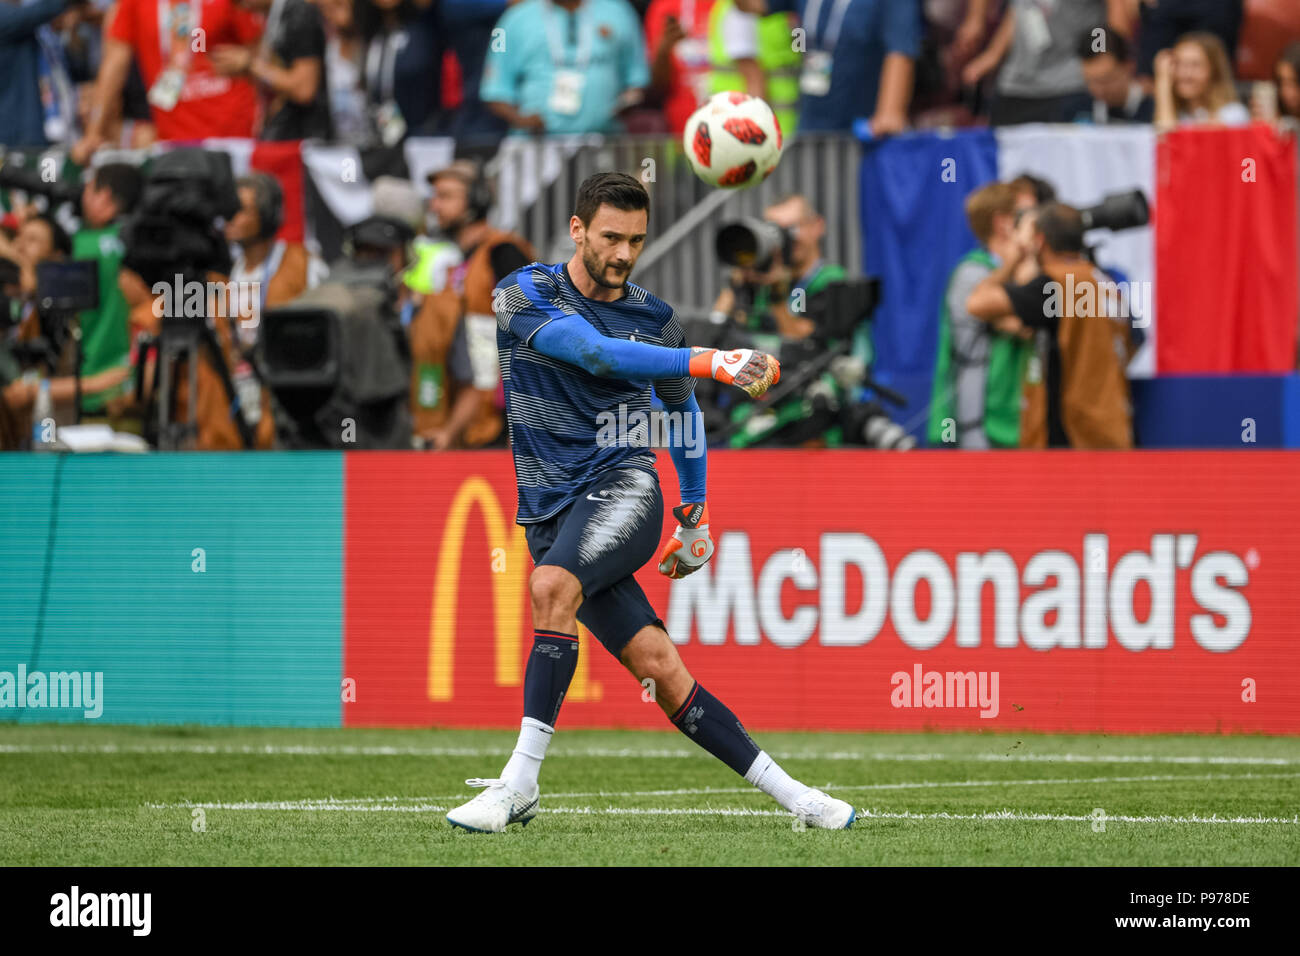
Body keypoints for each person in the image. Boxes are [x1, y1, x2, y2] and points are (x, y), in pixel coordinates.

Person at [446, 171, 856, 833]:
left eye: (635, 240)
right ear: (577, 229)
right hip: (550, 511)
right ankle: (802, 799)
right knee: (661, 670)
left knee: (551, 587)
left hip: (624, 489)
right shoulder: (522, 292)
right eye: (610, 237)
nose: (623, 253)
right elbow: (597, 356)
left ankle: (517, 785)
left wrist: (694, 509)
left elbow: (683, 414)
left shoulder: (654, 318)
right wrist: (710, 358)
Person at [966, 201, 1136, 449]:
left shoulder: (1058, 284)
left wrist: (1015, 256)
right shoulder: (1102, 281)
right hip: (1111, 426)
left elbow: (977, 303)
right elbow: (1135, 340)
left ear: (1040, 241)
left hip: (1073, 435)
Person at [410, 160, 535, 450]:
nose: (435, 206)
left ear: (476, 200)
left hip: (504, 418)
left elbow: (532, 324)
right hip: (468, 413)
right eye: (434, 197)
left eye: (446, 196)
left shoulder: (504, 252)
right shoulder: (457, 261)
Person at [74, 0, 263, 159]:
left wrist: (248, 61)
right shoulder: (133, 3)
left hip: (234, 134)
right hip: (172, 138)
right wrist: (94, 133)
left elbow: (259, 50)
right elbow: (114, 64)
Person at [928, 181, 1033, 450]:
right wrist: (1017, 261)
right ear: (1003, 223)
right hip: (981, 416)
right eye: (1022, 216)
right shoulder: (970, 274)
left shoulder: (1015, 272)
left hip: (1018, 413)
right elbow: (1025, 325)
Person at [225, 171, 327, 446]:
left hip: (288, 398)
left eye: (241, 210)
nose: (230, 218)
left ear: (267, 215)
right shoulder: (225, 273)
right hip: (240, 394)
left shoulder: (302, 263)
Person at [736, 0, 919, 135]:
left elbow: (900, 50)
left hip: (861, 133)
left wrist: (889, 112)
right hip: (809, 128)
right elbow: (753, 4)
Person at [481, 0, 650, 135]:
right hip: (536, 149)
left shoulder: (619, 11)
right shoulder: (515, 18)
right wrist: (520, 120)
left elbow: (637, 77)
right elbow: (495, 89)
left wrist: (628, 102)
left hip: (604, 142)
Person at [963, 0, 1130, 125]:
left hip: (1069, 86)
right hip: (1016, 84)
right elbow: (1021, 7)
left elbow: (1116, 15)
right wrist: (993, 54)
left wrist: (1114, 61)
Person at [211, 0, 332, 140]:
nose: (240, 5)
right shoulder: (273, 16)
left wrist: (250, 65)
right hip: (283, 134)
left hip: (305, 140)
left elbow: (304, 90)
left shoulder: (299, 13)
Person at [0, 0, 81, 148]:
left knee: (51, 169)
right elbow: (42, 11)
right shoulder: (8, 16)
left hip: (57, 128)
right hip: (18, 137)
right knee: (39, 170)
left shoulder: (39, 31)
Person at [1153, 31, 1250, 129]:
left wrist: (1162, 85)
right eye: (1178, 64)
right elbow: (1162, 139)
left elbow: (1170, 137)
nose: (1185, 74)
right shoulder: (1174, 113)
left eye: (1195, 65)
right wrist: (1163, 82)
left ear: (1214, 71)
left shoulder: (1233, 113)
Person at [1077, 23, 1154, 123]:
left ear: (1129, 66)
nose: (1099, 90)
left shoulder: (1156, 107)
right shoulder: (1079, 109)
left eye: (1106, 80)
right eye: (1090, 81)